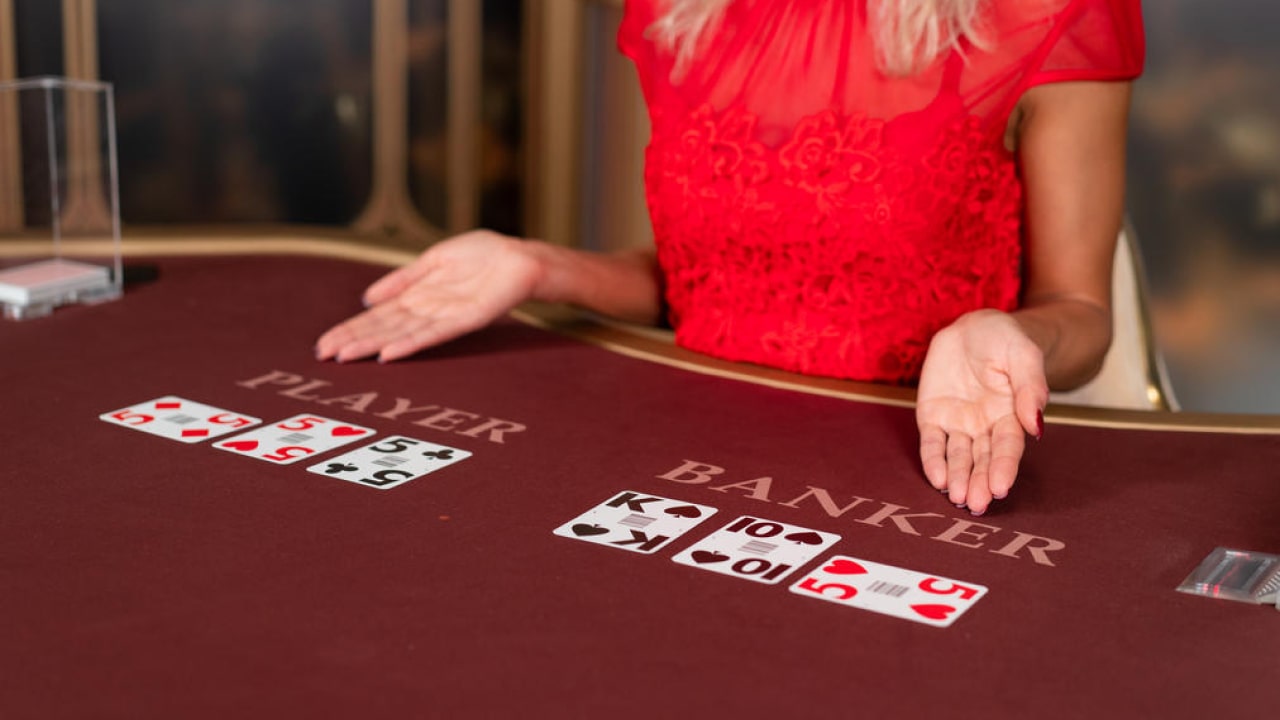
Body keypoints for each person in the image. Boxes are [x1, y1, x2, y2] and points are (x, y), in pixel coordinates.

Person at [316, 0, 1145, 517]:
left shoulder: (1051, 12)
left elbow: (1083, 313)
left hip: (920, 469)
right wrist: (541, 268)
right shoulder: (683, 12)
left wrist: (1009, 334)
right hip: (675, 446)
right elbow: (705, 282)